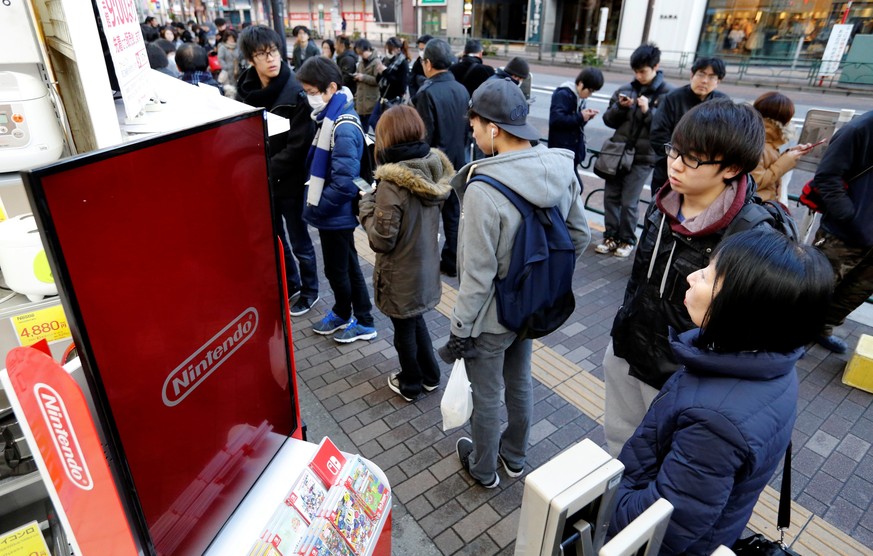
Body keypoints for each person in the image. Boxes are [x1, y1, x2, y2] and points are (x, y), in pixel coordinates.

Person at [611, 228, 833, 555]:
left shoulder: (716, 422)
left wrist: (605, 505)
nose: (692, 276)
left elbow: (666, 524)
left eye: (711, 276)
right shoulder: (772, 363)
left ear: (745, 310)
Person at [442, 78, 590, 489]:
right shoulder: (560, 168)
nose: (471, 135)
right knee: (520, 381)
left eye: (473, 127)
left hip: (490, 317)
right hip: (529, 308)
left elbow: (477, 276)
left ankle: (484, 469)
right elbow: (581, 237)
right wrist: (539, 281)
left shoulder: (483, 189)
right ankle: (515, 457)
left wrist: (458, 331)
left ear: (492, 128)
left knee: (487, 396)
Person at [603, 99, 769, 456]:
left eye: (692, 158)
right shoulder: (664, 203)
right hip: (628, 346)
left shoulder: (749, 235)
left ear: (732, 167)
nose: (675, 165)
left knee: (661, 463)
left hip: (680, 374)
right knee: (619, 447)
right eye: (674, 151)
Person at [359, 105, 454, 402]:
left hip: (399, 273)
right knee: (415, 320)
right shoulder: (431, 168)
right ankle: (431, 375)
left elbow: (381, 239)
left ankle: (411, 382)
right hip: (425, 266)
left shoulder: (392, 183)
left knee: (404, 329)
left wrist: (364, 206)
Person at [236, 25, 319, 315]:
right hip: (262, 182)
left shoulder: (295, 92)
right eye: (262, 54)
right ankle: (291, 284)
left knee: (299, 240)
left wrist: (261, 169)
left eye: (273, 52)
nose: (271, 59)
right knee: (276, 239)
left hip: (290, 181)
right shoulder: (244, 90)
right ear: (251, 59)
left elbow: (298, 147)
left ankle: (311, 290)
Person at [296, 56, 378, 343]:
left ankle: (360, 319)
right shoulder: (329, 117)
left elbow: (344, 184)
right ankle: (347, 313)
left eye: (312, 91)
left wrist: (317, 206)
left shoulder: (341, 125)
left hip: (336, 213)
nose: (309, 98)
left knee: (341, 269)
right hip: (334, 213)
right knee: (344, 266)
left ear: (331, 88)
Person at [595, 43, 673, 259]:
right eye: (636, 71)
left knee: (629, 201)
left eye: (643, 71)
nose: (639, 76)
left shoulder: (667, 94)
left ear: (655, 66)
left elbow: (666, 127)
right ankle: (610, 236)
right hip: (617, 154)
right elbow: (608, 120)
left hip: (643, 157)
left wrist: (648, 111)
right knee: (611, 197)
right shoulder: (625, 89)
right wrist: (621, 107)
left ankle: (627, 239)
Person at [810, 110, 873, 354]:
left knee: (855, 292)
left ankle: (822, 328)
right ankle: (790, 335)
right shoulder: (860, 129)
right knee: (817, 286)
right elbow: (827, 176)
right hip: (843, 234)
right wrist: (850, 216)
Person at [413, 38, 470, 278]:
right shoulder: (461, 88)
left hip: (436, 165)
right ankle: (452, 261)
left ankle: (426, 262)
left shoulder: (427, 92)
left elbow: (424, 138)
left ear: (428, 63)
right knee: (454, 215)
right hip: (460, 160)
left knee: (428, 216)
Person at [649, 57, 728, 195]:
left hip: (703, 175)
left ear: (718, 82)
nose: (704, 80)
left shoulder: (723, 104)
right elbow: (658, 135)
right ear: (692, 75)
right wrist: (680, 159)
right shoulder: (673, 98)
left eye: (711, 77)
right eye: (701, 74)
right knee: (661, 210)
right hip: (670, 172)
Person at [750, 91, 813, 203]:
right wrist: (785, 162)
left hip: (759, 205)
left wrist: (788, 154)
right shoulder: (756, 143)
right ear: (785, 120)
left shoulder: (762, 137)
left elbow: (767, 164)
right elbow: (755, 182)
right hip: (757, 206)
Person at [547, 67, 603, 169]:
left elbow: (575, 124)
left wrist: (586, 118)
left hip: (571, 152)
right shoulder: (564, 94)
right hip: (561, 152)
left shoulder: (579, 98)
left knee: (574, 184)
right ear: (581, 84)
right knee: (575, 185)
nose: (589, 95)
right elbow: (556, 120)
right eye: (590, 91)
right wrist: (581, 116)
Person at [367, 37, 409, 133]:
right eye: (387, 49)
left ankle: (385, 142)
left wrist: (385, 71)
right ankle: (382, 141)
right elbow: (378, 80)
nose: (388, 52)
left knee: (388, 126)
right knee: (373, 120)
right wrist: (380, 72)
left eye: (390, 49)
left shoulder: (403, 63)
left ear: (398, 49)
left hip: (394, 100)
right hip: (383, 97)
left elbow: (401, 86)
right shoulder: (385, 60)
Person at [352, 38, 380, 131]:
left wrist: (363, 77)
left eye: (361, 53)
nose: (361, 56)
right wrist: (356, 76)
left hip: (371, 102)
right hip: (360, 102)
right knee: (361, 130)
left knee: (373, 127)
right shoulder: (361, 62)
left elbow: (378, 80)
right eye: (359, 54)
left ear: (368, 49)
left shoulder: (376, 62)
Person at [409, 34, 432, 98]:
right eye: (420, 49)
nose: (421, 52)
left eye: (423, 49)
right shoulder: (417, 63)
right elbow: (411, 83)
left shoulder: (438, 62)